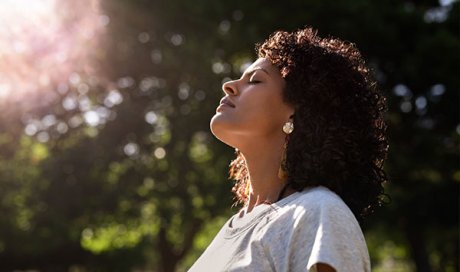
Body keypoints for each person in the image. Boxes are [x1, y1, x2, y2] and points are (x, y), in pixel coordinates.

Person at [189, 27, 388, 272]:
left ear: (298, 110)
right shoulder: (233, 227)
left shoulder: (319, 213)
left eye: (255, 80)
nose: (229, 85)